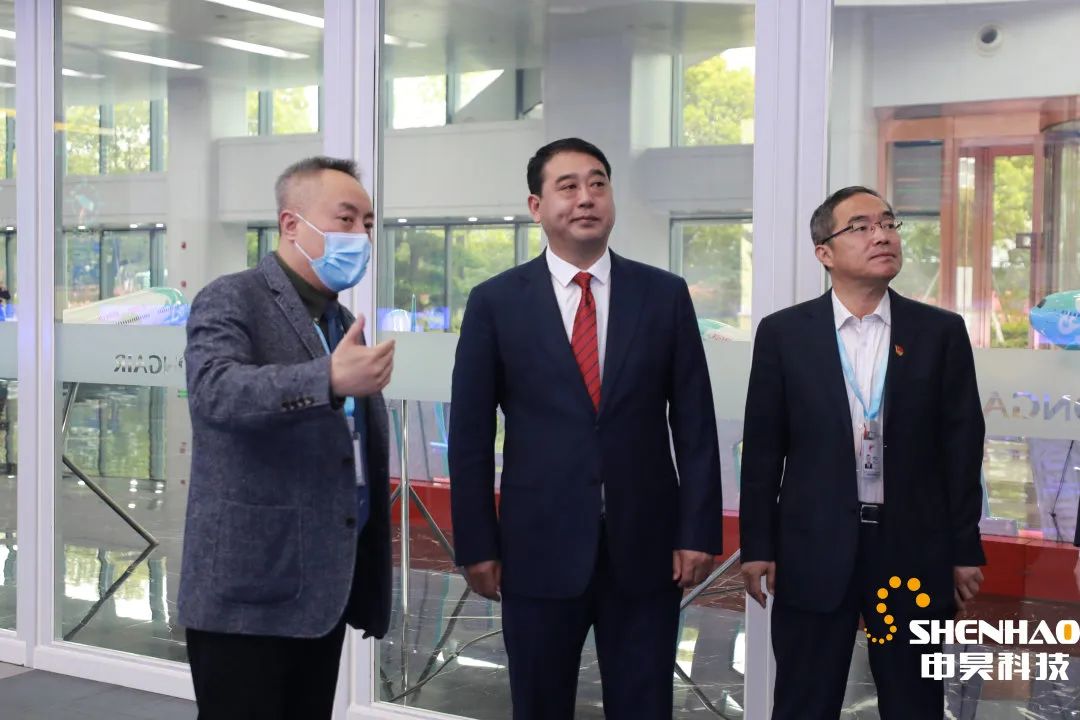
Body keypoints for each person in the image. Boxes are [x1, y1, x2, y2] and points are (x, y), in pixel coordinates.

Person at [449, 137, 724, 719]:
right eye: (568, 186)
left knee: (644, 705)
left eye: (598, 183)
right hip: (536, 549)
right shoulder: (495, 302)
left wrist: (698, 530)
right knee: (539, 704)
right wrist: (476, 544)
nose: (586, 198)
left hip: (646, 549)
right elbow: (469, 436)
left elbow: (695, 423)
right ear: (536, 206)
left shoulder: (663, 295)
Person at [739, 185, 986, 719]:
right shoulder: (785, 334)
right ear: (824, 252)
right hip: (813, 547)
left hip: (912, 549)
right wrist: (757, 544)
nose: (882, 235)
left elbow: (962, 448)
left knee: (914, 702)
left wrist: (965, 548)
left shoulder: (940, 332)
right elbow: (762, 449)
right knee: (805, 700)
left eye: (889, 224)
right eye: (862, 227)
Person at [179, 156, 395, 719]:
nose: (360, 235)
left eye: (367, 223)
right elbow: (215, 391)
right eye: (345, 219)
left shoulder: (336, 319)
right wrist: (327, 379)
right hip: (250, 586)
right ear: (291, 224)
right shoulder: (232, 297)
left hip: (321, 586)